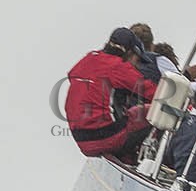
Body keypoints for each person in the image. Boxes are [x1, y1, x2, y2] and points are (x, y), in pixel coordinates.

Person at [64, 27, 158, 162]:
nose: (137, 66)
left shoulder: (88, 59)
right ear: (130, 52)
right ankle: (139, 161)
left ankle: (125, 158)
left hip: (81, 139)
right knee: (153, 112)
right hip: (105, 138)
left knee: (127, 113)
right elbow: (155, 94)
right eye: (137, 60)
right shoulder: (117, 66)